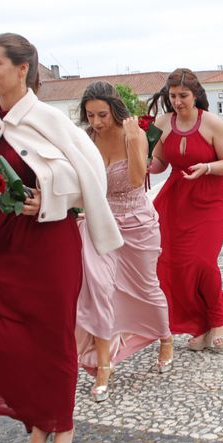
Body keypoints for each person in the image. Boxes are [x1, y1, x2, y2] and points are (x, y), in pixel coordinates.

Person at [0, 33, 122, 443]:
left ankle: (61, 425)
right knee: (9, 341)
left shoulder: (53, 123)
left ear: (22, 68)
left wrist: (50, 197)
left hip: (48, 247)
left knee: (52, 339)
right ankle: (35, 421)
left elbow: (91, 180)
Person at [75, 81, 173, 404]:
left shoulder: (136, 134)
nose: (96, 122)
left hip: (137, 223)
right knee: (99, 290)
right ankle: (104, 364)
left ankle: (165, 337)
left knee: (146, 286)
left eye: (102, 114)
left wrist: (134, 141)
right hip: (100, 223)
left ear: (115, 110)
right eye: (90, 115)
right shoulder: (86, 138)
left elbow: (135, 181)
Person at [147, 68, 223, 351]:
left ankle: (217, 319)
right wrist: (141, 164)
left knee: (202, 261)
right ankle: (198, 324)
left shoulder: (212, 123)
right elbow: (159, 163)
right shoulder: (160, 123)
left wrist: (207, 167)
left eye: (183, 95)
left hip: (211, 198)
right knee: (173, 264)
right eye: (173, 96)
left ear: (196, 94)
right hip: (176, 198)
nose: (177, 101)